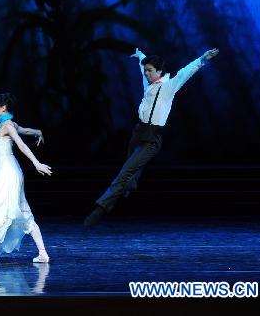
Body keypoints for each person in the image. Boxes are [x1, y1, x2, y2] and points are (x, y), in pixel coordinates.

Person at [84, 47, 220, 226]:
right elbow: (142, 69)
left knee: (125, 173)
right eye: (146, 70)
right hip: (137, 132)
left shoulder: (169, 86)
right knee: (130, 169)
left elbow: (186, 72)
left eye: (150, 70)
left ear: (159, 71)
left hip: (151, 139)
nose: (147, 73)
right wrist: (140, 55)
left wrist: (203, 59)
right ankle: (131, 186)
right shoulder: (148, 83)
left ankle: (100, 209)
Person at [0, 93, 52, 264]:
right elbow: (25, 131)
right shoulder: (9, 124)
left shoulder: (8, 125)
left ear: (3, 108)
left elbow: (21, 144)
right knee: (21, 211)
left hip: (8, 174)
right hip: (9, 172)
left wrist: (36, 163)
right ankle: (42, 253)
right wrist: (37, 132)